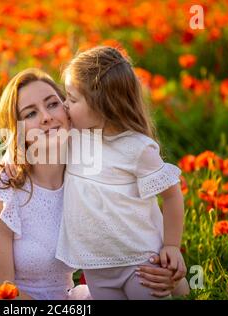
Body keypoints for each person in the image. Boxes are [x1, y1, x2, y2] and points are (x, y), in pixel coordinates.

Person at [0, 68, 185, 300]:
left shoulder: (90, 173)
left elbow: (141, 227)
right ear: (18, 131)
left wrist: (169, 269)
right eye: (30, 114)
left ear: (68, 110)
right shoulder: (1, 189)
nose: (46, 117)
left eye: (52, 104)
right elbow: (0, 288)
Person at [53, 46, 189, 299]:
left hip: (141, 261)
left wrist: (171, 245)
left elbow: (172, 195)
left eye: (72, 99)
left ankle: (182, 288)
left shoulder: (136, 147)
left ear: (102, 105)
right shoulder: (72, 139)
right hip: (96, 266)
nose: (64, 104)